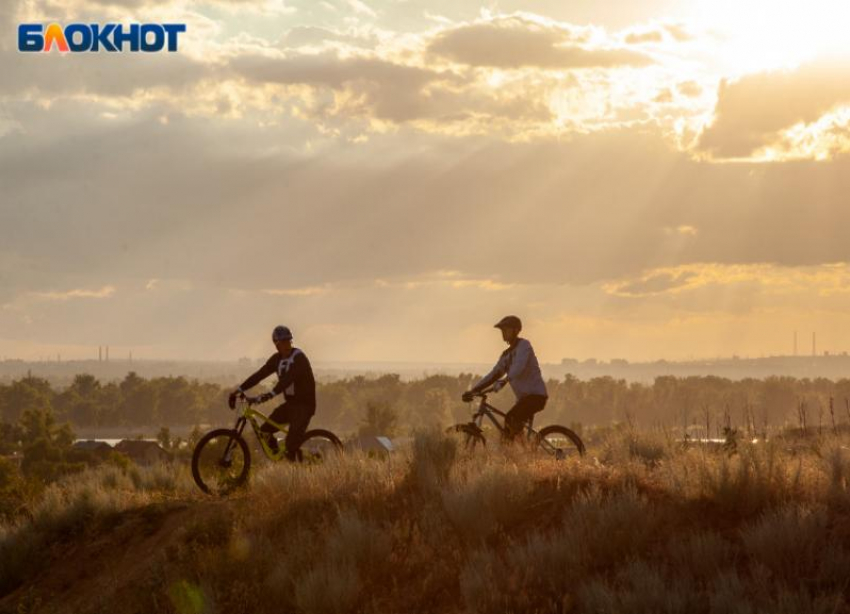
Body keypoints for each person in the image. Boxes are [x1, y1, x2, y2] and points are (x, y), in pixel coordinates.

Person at [228, 325, 316, 460]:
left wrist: (267, 395)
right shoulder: (276, 359)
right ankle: (280, 459)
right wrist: (239, 390)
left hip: (304, 406)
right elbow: (259, 375)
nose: (287, 345)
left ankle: (296, 469)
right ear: (276, 345)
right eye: (283, 342)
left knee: (290, 444)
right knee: (264, 431)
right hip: (290, 405)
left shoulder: (299, 358)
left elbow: (286, 380)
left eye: (289, 341)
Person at [462, 315, 548, 441]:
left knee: (510, 419)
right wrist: (474, 390)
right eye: (502, 330)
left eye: (506, 330)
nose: (503, 333)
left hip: (536, 396)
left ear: (516, 330)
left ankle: (511, 453)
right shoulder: (506, 355)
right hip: (523, 399)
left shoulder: (524, 345)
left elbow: (519, 367)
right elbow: (493, 375)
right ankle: (522, 452)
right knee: (511, 426)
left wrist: (504, 380)